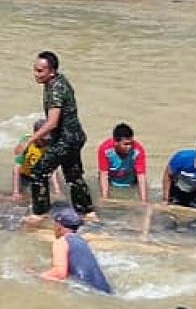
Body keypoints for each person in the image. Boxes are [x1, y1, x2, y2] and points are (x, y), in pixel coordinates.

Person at [14, 52, 94, 219]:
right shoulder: (59, 81)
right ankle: (87, 211)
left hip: (66, 139)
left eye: (40, 71)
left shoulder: (55, 89)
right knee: (73, 175)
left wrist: (29, 141)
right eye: (35, 70)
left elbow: (52, 123)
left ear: (52, 71)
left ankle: (39, 213)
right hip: (75, 136)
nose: (36, 74)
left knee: (39, 171)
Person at [39, 208, 112, 293]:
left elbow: (59, 273)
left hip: (89, 293)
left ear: (58, 226)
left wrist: (36, 276)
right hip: (105, 291)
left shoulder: (61, 242)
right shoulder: (81, 241)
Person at [12, 119, 63, 201]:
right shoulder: (25, 143)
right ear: (36, 134)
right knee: (22, 197)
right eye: (43, 140)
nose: (46, 142)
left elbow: (53, 170)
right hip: (25, 175)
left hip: (42, 174)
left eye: (48, 139)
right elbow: (16, 168)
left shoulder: (50, 145)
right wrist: (16, 192)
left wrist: (57, 190)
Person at [97, 123, 148, 203]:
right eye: (126, 144)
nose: (130, 146)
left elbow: (141, 176)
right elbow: (103, 175)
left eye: (131, 143)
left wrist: (144, 201)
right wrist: (105, 198)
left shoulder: (138, 150)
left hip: (131, 183)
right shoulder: (105, 150)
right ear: (116, 142)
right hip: (112, 182)